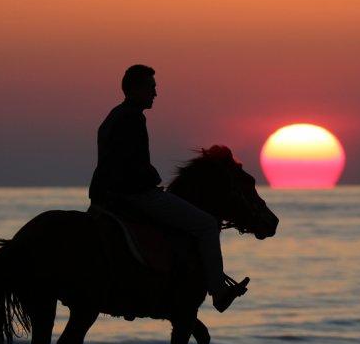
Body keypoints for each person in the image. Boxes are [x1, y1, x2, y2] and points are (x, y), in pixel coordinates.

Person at [88, 64, 249, 312]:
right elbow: (132, 163)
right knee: (206, 225)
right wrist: (152, 179)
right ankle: (218, 291)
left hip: (105, 194)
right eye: (152, 87)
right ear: (137, 88)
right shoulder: (132, 117)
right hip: (133, 194)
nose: (155, 93)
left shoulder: (114, 115)